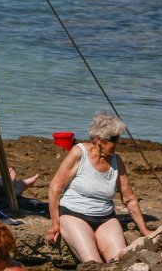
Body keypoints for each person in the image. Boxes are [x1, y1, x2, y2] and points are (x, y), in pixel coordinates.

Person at [45, 112, 152, 263]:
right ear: (98, 139)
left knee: (120, 262)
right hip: (74, 214)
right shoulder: (79, 153)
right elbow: (55, 188)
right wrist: (55, 224)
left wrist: (145, 230)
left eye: (118, 139)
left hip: (105, 218)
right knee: (93, 263)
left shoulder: (117, 161)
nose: (117, 143)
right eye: (113, 139)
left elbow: (129, 199)